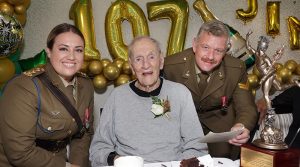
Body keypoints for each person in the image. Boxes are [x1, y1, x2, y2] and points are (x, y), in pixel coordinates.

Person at [89, 36, 207, 166]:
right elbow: (98, 149)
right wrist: (116, 160)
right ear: (132, 66)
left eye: (151, 57)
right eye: (138, 59)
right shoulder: (117, 97)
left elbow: (197, 145)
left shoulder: (180, 94)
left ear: (161, 61)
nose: (146, 65)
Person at [0, 23, 94, 167]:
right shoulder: (24, 86)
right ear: (49, 52)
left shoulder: (86, 85)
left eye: (78, 50)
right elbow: (20, 153)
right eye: (63, 49)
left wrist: (77, 165)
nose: (71, 56)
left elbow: (82, 135)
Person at [163, 20, 258, 160]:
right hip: (181, 125)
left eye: (218, 50)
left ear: (226, 51)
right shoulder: (171, 66)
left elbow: (246, 107)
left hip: (220, 126)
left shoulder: (236, 68)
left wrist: (241, 126)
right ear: (195, 45)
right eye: (205, 47)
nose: (210, 56)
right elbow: (163, 105)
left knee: (225, 157)